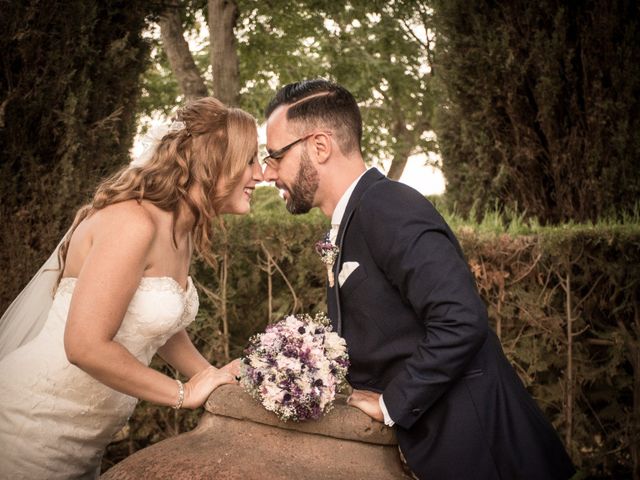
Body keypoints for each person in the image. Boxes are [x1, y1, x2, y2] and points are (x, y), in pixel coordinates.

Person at [262, 79, 575, 480]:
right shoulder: (353, 218)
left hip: (482, 453)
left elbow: (460, 320)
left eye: (276, 155)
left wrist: (393, 403)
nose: (269, 171)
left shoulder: (389, 206)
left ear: (320, 147)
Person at [0, 96, 263, 479]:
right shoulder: (133, 223)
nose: (260, 174)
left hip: (84, 442)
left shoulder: (181, 230)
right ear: (213, 161)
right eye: (250, 160)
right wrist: (183, 393)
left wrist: (214, 377)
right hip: (29, 427)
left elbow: (158, 325)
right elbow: (85, 345)